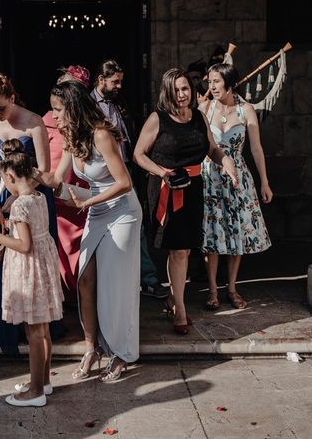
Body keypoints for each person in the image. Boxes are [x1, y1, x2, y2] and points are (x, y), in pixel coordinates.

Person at [37, 80, 141, 382]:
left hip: (122, 212)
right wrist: (26, 175)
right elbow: (57, 180)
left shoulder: (101, 135)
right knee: (84, 280)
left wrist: (90, 200)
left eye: (57, 110)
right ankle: (91, 348)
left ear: (73, 107)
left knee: (114, 285)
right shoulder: (72, 137)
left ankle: (121, 352)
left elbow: (124, 182)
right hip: (96, 210)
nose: (54, 117)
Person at [133, 68, 238, 335]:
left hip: (193, 189)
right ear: (168, 92)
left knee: (186, 250)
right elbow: (138, 154)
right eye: (177, 90)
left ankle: (173, 298)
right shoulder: (157, 119)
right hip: (167, 188)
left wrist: (226, 161)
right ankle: (180, 308)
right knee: (177, 250)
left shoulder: (199, 117)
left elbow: (212, 148)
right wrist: (162, 173)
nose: (182, 94)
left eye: (186, 89)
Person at [0, 72, 63, 354]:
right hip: (2, 196)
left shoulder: (33, 122)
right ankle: (8, 327)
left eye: (1, 108)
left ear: (12, 98)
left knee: (33, 261)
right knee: (3, 261)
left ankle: (38, 327)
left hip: (29, 197)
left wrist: (18, 198)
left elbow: (44, 171)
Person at [0, 139, 64, 407]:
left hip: (29, 269)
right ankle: (44, 382)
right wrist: (4, 215)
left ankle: (35, 391)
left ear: (10, 176)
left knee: (34, 333)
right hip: (44, 264)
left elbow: (24, 245)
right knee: (43, 328)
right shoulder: (37, 197)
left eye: (7, 181)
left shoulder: (19, 205)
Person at [200, 63, 272, 310]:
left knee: (236, 233)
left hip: (238, 178)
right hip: (210, 177)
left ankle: (231, 287)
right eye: (210, 82)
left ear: (230, 83)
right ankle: (212, 290)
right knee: (212, 234)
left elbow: (256, 148)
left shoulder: (246, 110)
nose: (212, 86)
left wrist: (264, 181)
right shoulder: (205, 108)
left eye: (216, 82)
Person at [91, 59, 163, 299]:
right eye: (115, 82)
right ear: (101, 80)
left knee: (137, 225)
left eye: (120, 81)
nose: (119, 86)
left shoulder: (119, 102)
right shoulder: (89, 106)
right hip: (103, 175)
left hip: (127, 169)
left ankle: (147, 279)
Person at [42, 65, 90, 303]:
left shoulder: (97, 132)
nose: (55, 115)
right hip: (62, 190)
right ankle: (70, 294)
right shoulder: (52, 125)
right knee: (61, 244)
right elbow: (56, 174)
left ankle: (86, 294)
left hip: (90, 193)